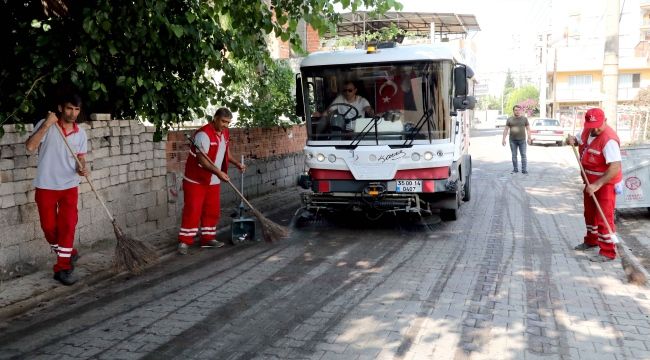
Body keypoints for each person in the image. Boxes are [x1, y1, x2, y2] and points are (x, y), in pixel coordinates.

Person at [25, 93, 88, 286]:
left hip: (69, 186)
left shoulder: (81, 133)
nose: (73, 113)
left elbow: (80, 157)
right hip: (46, 185)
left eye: (77, 109)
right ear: (61, 108)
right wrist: (46, 124)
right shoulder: (47, 125)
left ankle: (62, 268)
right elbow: (30, 146)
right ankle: (69, 253)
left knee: (68, 226)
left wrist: (82, 168)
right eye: (69, 108)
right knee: (49, 228)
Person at [178, 108, 246, 255]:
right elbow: (203, 161)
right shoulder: (203, 135)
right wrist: (219, 172)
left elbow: (226, 153)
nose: (225, 125)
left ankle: (208, 238)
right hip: (196, 180)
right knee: (193, 210)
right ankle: (185, 241)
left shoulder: (225, 133)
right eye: (223, 121)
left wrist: (237, 164)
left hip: (213, 180)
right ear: (215, 118)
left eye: (228, 122)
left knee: (212, 210)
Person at [567, 108, 622, 262]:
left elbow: (615, 167)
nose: (596, 129)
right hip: (589, 182)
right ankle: (591, 241)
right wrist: (571, 140)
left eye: (599, 125)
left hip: (605, 184)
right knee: (590, 214)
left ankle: (608, 252)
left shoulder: (609, 140)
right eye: (592, 125)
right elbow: (579, 140)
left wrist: (597, 184)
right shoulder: (587, 130)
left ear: (605, 120)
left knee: (605, 217)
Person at [501, 105, 532, 174]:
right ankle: (515, 169)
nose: (517, 111)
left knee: (523, 155)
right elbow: (506, 129)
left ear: (520, 111)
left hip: (522, 140)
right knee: (514, 155)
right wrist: (503, 139)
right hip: (512, 140)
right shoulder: (509, 119)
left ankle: (524, 170)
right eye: (516, 110)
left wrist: (529, 138)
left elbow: (528, 129)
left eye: (518, 110)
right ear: (513, 111)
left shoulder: (524, 119)